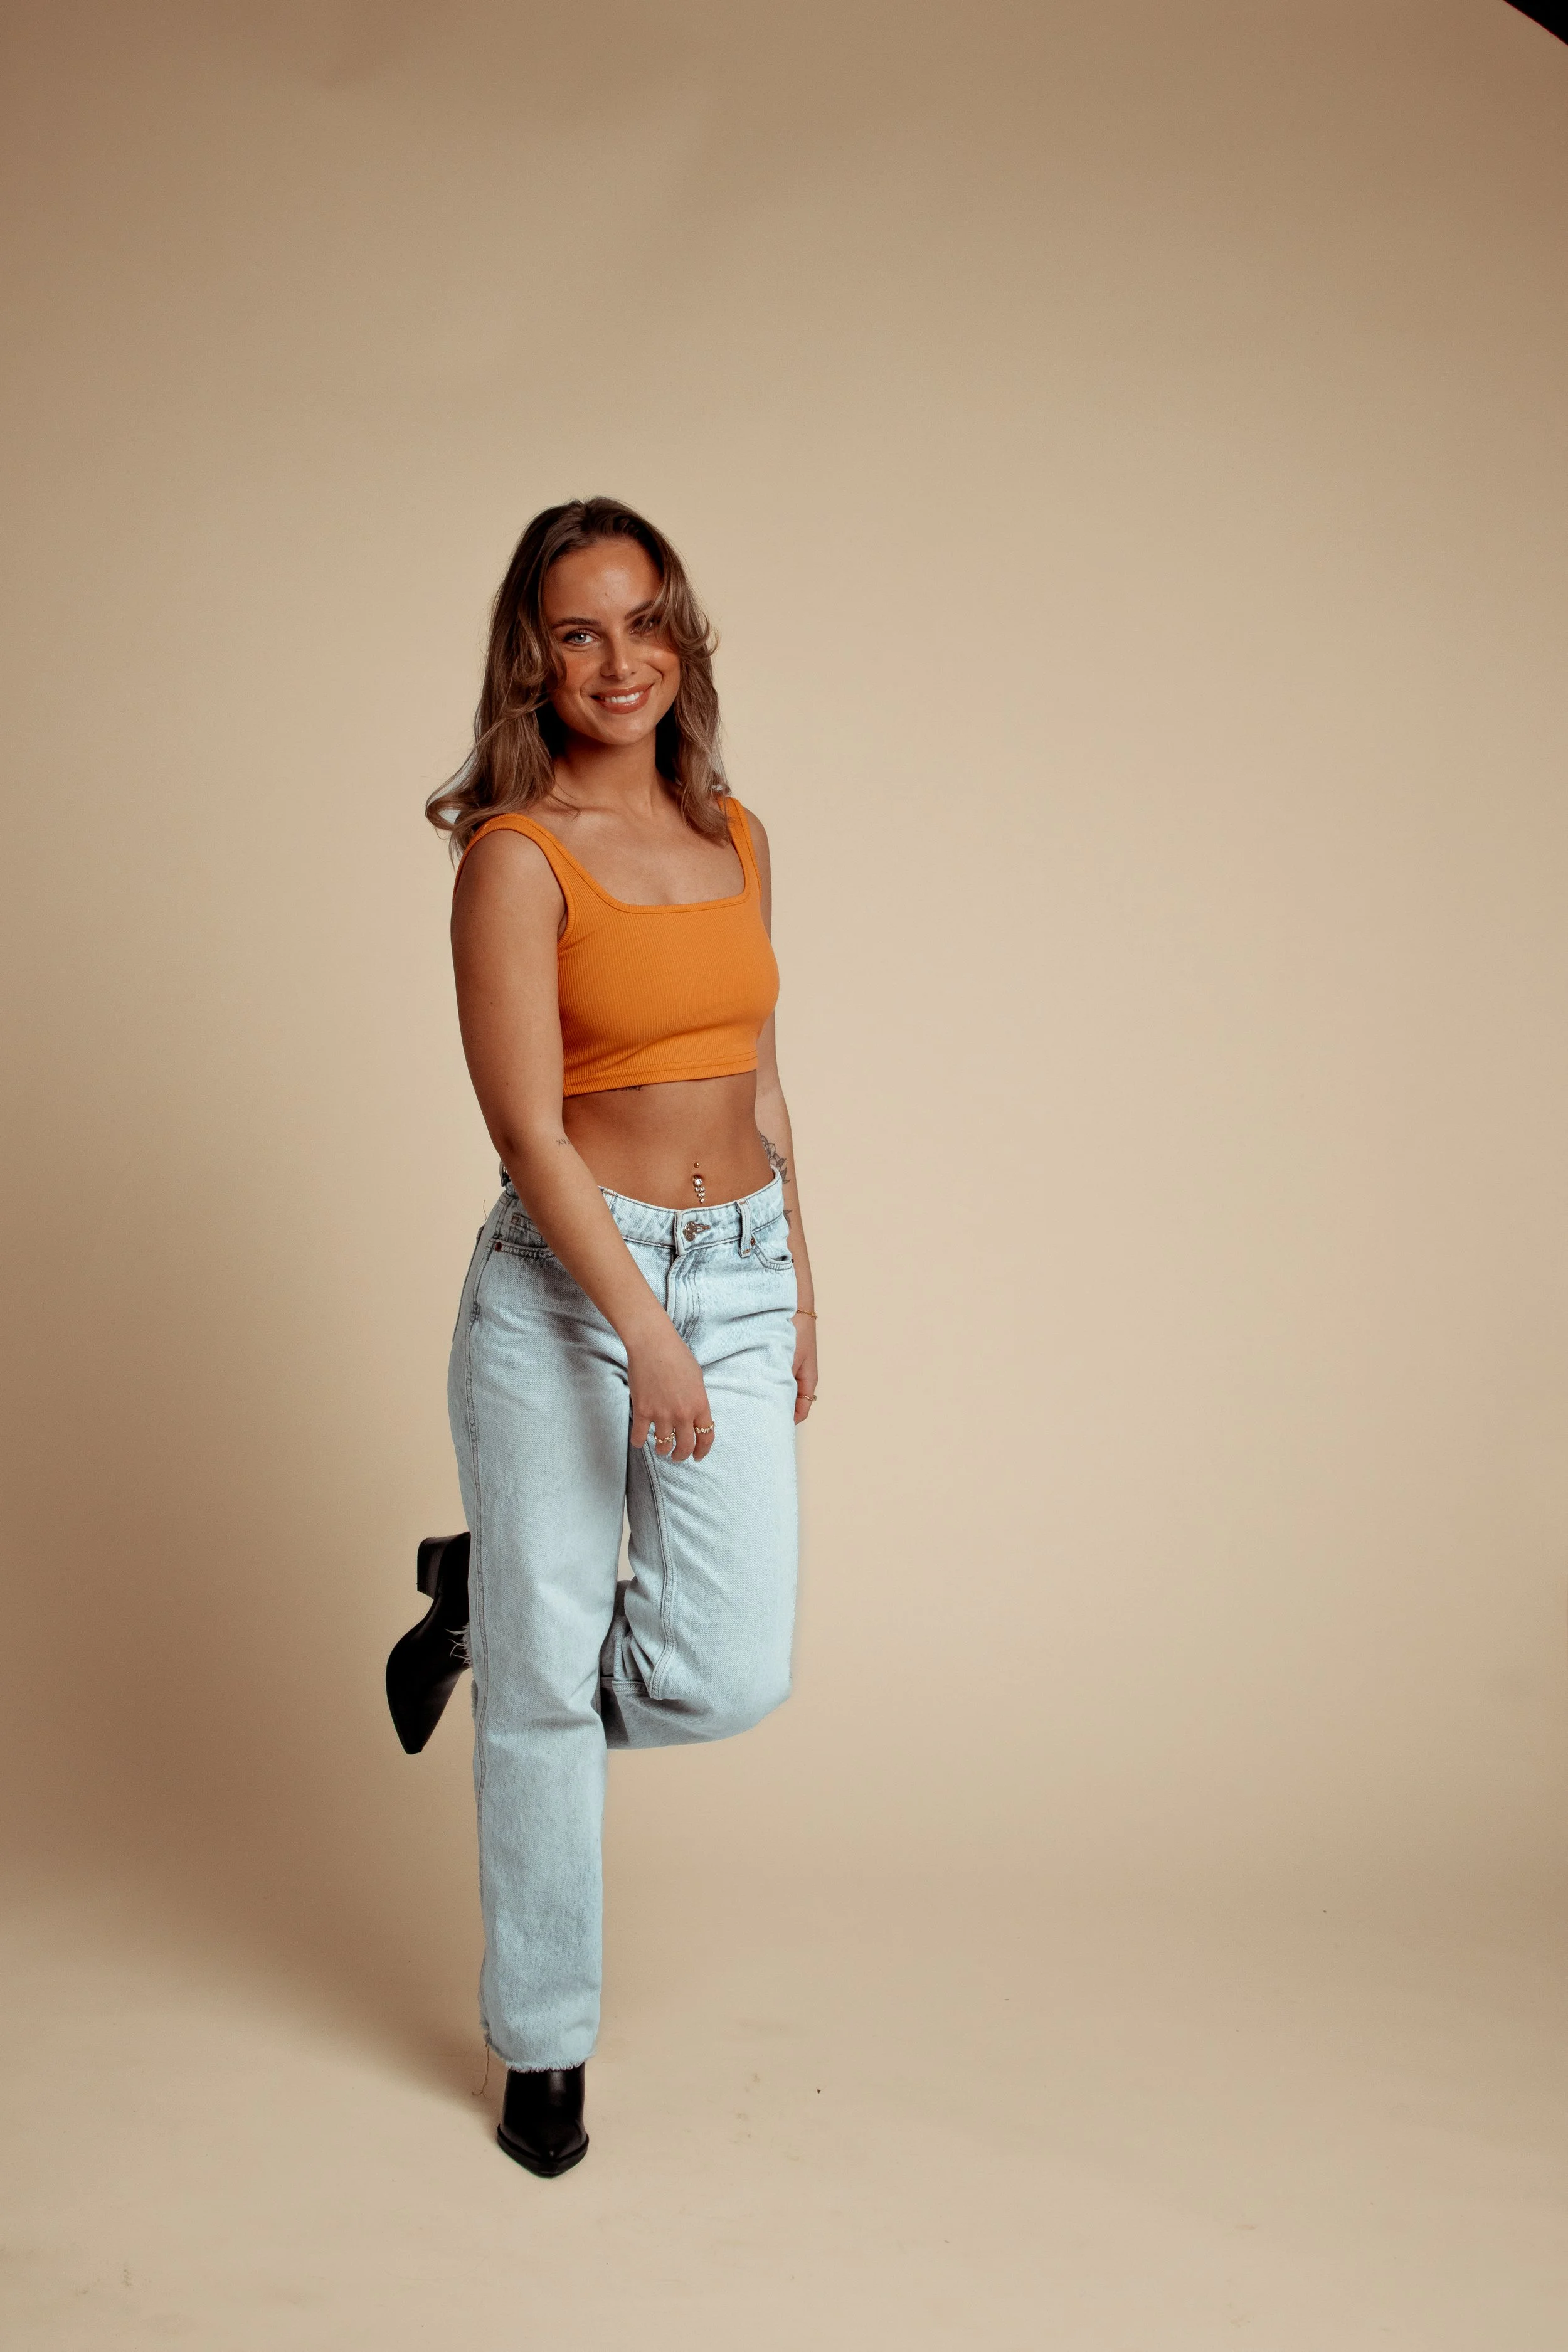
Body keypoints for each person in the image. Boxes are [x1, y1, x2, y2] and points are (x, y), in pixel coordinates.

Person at [385, 498, 817, 2178]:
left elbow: (764, 1072)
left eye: (644, 622)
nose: (618, 659)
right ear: (532, 653)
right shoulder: (516, 855)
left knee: (730, 1664)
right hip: (568, 1289)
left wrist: (795, 1269)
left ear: (680, 637)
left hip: (734, 1256)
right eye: (579, 631)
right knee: (549, 1713)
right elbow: (529, 1136)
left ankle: (485, 1615)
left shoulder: (736, 832)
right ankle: (543, 2045)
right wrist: (640, 1323)